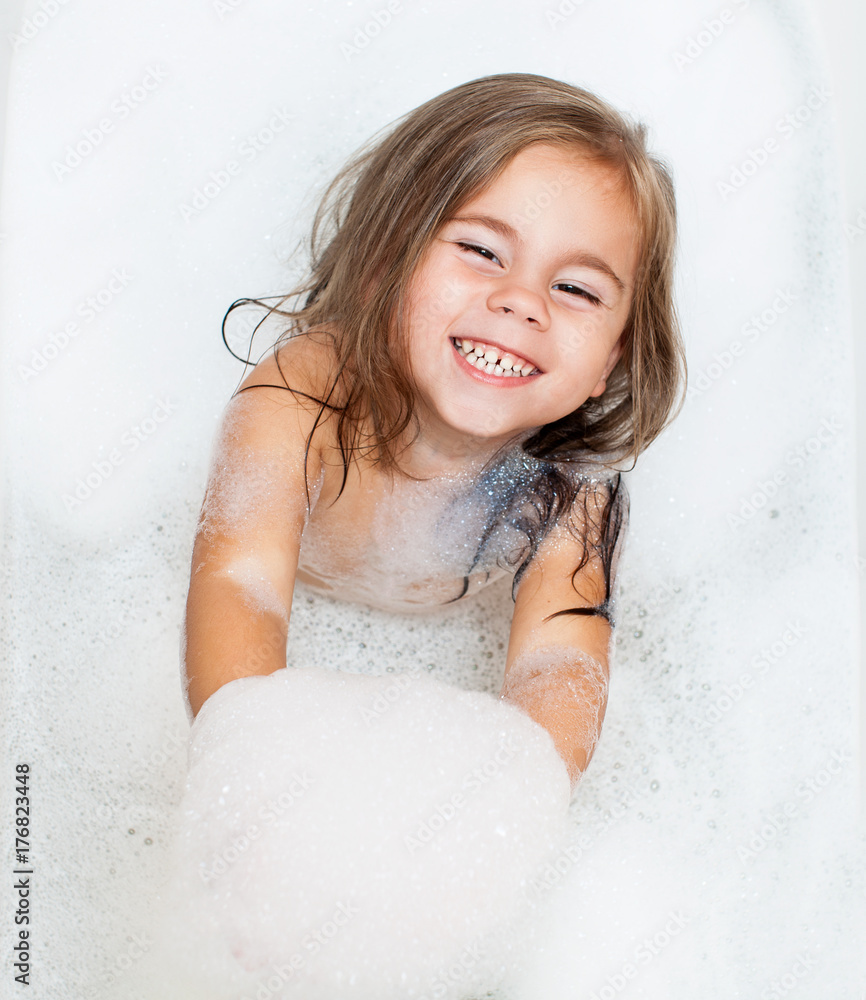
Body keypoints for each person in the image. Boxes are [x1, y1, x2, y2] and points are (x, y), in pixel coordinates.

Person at [181, 71, 686, 790]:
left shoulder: (570, 490)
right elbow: (242, 584)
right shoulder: (302, 399)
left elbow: (561, 662)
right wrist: (250, 770)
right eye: (482, 251)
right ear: (381, 262)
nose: (521, 303)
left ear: (612, 357)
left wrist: (513, 804)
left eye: (575, 289)